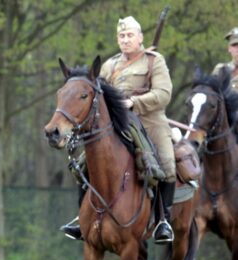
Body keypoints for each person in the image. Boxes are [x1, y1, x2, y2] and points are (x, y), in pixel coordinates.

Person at [61, 16, 175, 244]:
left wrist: (135, 103)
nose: (125, 39)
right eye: (121, 36)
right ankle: (80, 220)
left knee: (167, 164)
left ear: (140, 37)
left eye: (130, 35)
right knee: (83, 164)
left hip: (149, 120)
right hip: (116, 122)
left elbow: (164, 94)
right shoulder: (109, 65)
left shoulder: (154, 61)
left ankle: (163, 221)